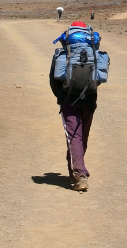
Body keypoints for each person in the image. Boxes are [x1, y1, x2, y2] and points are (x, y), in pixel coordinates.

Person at [49, 21, 107, 191]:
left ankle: (79, 175)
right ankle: (76, 172)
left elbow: (53, 80)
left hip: (68, 100)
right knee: (82, 137)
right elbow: (99, 79)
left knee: (74, 136)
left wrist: (61, 96)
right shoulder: (94, 53)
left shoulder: (63, 54)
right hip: (89, 100)